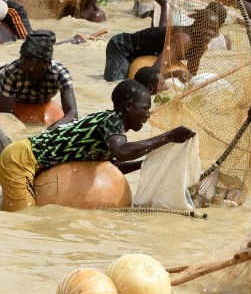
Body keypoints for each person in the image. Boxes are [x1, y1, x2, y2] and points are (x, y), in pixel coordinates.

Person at [0, 80, 196, 212]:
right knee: (25, 218)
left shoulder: (112, 130)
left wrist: (149, 163)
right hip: (21, 160)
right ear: (128, 107)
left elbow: (114, 166)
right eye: (145, 108)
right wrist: (169, 136)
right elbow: (122, 153)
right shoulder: (110, 120)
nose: (148, 114)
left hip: (28, 160)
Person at [103, 0, 229, 81]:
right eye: (209, 27)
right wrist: (177, 73)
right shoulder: (183, 39)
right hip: (123, 48)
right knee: (115, 84)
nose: (213, 33)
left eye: (215, 29)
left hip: (139, 55)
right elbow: (155, 72)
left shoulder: (201, 45)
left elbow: (192, 74)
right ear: (196, 26)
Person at [0, 30, 78, 130]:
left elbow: (72, 113)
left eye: (28, 58)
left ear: (44, 63)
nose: (22, 61)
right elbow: (7, 117)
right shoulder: (12, 72)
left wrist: (56, 126)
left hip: (41, 104)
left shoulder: (60, 74)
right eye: (22, 56)